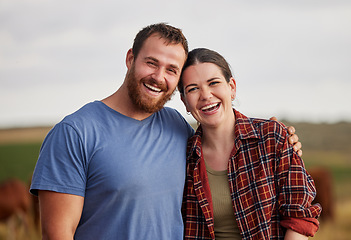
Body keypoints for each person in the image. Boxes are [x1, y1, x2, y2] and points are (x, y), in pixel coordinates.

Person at [30, 23, 301, 240]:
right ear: (130, 58)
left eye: (172, 69)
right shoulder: (75, 133)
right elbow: (57, 234)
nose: (159, 77)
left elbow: (222, 127)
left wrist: (279, 138)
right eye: (151, 63)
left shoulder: (176, 126)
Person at [179, 48, 321, 240]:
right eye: (193, 88)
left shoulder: (273, 137)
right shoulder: (183, 157)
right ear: (185, 101)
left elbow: (299, 218)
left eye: (214, 83)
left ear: (232, 88)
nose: (205, 95)